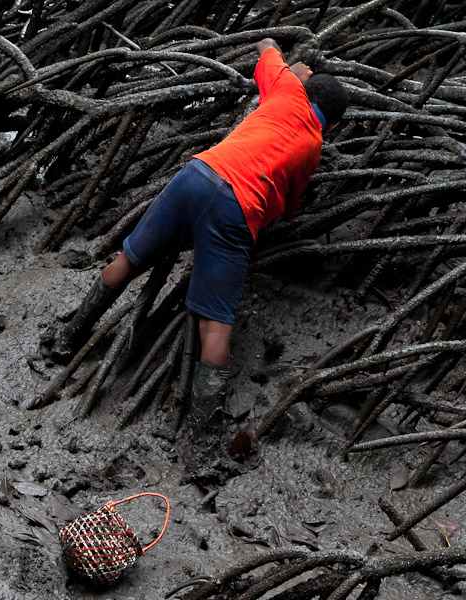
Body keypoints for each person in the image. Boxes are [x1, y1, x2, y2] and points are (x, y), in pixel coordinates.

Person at [49, 37, 348, 474]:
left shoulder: (283, 88)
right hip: (234, 211)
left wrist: (293, 70)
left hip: (196, 172)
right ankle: (202, 447)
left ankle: (66, 338)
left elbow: (267, 47)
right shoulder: (314, 148)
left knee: (130, 258)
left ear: (305, 88)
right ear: (333, 126)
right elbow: (287, 210)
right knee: (216, 324)